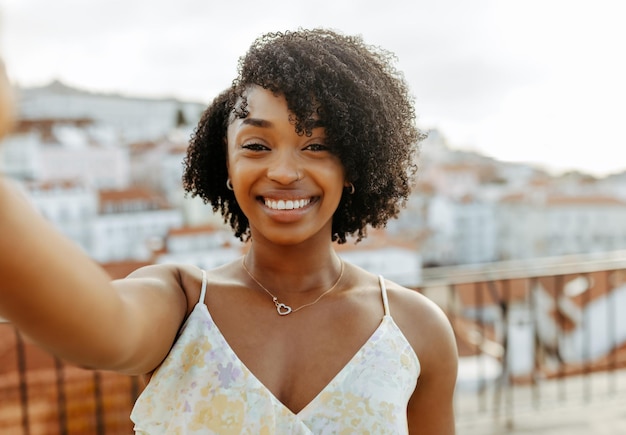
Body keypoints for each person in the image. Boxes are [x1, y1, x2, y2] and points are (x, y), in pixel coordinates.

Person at [0, 29, 458, 433]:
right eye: (257, 145)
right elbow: (97, 328)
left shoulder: (414, 329)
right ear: (227, 163)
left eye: (316, 145)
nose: (282, 171)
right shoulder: (181, 302)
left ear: (353, 164)